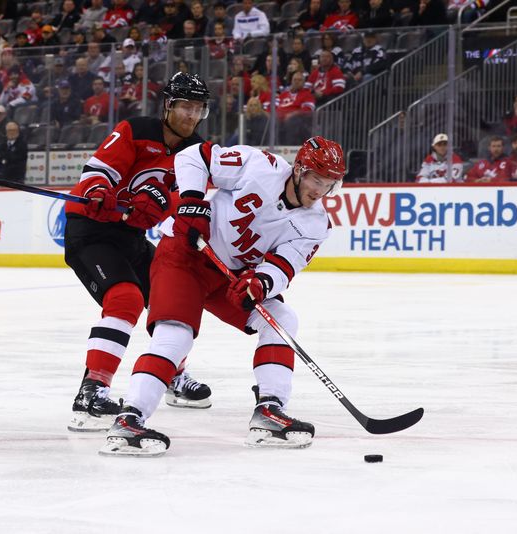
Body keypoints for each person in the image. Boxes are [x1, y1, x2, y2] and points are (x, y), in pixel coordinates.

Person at [99, 135, 346, 456]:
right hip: (185, 255)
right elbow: (193, 157)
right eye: (316, 179)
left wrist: (260, 283)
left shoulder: (316, 223)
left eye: (329, 184)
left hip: (231, 277)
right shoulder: (260, 166)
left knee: (282, 320)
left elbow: (285, 266)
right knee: (175, 336)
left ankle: (270, 411)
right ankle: (129, 419)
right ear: (298, 169)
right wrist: (192, 203)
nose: (320, 191)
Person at [64, 72, 214, 432]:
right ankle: (92, 391)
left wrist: (162, 205)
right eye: (185, 107)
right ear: (168, 106)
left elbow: (183, 199)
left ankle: (172, 375)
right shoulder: (135, 130)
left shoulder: (196, 154)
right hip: (92, 229)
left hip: (130, 235)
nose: (191, 116)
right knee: (125, 298)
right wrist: (99, 193)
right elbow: (98, 170)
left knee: (171, 301)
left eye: (198, 109)